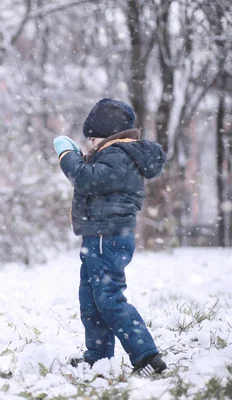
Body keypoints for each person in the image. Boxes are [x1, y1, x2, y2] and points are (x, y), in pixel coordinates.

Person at [53, 98, 167, 376]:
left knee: (108, 297)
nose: (89, 145)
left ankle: (146, 355)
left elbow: (85, 178)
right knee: (91, 298)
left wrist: (67, 155)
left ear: (104, 135)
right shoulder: (115, 154)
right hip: (98, 236)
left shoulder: (118, 155)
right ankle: (99, 356)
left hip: (108, 236)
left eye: (90, 139)